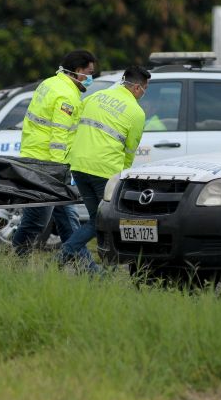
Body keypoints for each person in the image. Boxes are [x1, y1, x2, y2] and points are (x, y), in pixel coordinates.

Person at [60, 65, 149, 272]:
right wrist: (121, 176)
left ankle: (89, 269)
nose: (144, 93)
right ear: (136, 88)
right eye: (145, 88)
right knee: (105, 222)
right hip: (104, 171)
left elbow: (75, 126)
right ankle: (66, 257)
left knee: (95, 221)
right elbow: (130, 149)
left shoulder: (96, 96)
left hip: (79, 166)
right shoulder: (136, 112)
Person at [12, 50, 96, 257]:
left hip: (35, 158)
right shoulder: (66, 95)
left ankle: (86, 268)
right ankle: (18, 258)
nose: (91, 77)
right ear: (77, 71)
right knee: (37, 220)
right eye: (89, 72)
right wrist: (58, 171)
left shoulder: (49, 83)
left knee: (67, 219)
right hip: (48, 165)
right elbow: (59, 136)